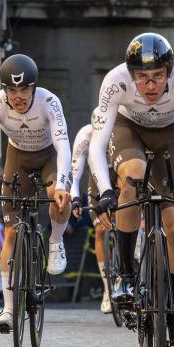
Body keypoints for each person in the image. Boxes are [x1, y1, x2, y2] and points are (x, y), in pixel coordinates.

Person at [88, 33, 174, 345]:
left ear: (169, 72)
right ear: (131, 74)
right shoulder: (115, 80)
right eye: (143, 78)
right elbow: (97, 143)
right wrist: (106, 191)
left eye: (158, 77)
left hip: (170, 135)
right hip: (128, 130)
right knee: (132, 177)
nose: (150, 86)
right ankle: (124, 274)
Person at [0, 53, 72, 334]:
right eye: (12, 90)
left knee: (58, 196)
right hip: (17, 156)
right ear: (5, 90)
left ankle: (54, 241)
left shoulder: (49, 102)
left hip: (49, 157)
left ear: (34, 87)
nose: (18, 96)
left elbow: (63, 145)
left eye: (24, 89)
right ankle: (7, 307)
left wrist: (63, 185)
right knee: (10, 233)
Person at [69, 121, 114, 314]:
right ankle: (107, 289)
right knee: (101, 230)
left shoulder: (121, 128)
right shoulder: (85, 133)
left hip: (120, 174)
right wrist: (76, 198)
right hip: (97, 177)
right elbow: (76, 174)